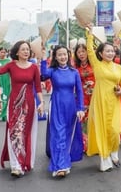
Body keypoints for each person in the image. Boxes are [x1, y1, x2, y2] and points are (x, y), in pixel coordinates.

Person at [0, 40, 44, 177]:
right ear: (17, 52)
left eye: (27, 49)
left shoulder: (33, 68)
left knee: (26, 132)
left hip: (29, 105)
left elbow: (38, 87)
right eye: (23, 49)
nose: (26, 52)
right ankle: (16, 165)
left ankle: (26, 161)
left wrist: (42, 102)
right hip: (14, 104)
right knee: (14, 132)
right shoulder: (11, 65)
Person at [84, 25, 121, 172]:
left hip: (114, 102)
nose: (110, 53)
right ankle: (105, 160)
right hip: (100, 102)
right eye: (107, 51)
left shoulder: (119, 68)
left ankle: (114, 152)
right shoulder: (97, 65)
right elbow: (89, 50)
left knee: (115, 130)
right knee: (102, 130)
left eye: (112, 51)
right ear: (101, 54)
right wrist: (90, 35)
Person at [40, 45, 85, 178]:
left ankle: (65, 161)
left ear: (69, 55)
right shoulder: (52, 71)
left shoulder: (74, 72)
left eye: (64, 54)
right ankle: (60, 165)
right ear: (55, 56)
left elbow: (80, 91)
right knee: (58, 134)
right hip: (57, 106)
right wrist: (43, 57)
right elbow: (43, 75)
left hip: (71, 107)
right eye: (59, 54)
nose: (62, 57)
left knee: (67, 134)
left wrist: (80, 108)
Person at [74, 43, 95, 151]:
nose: (81, 54)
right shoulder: (75, 67)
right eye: (79, 52)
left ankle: (95, 144)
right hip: (82, 96)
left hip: (95, 95)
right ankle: (85, 145)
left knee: (95, 119)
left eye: (83, 51)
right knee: (84, 120)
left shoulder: (95, 64)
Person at [0, 47, 11, 121]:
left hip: (6, 81)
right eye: (2, 52)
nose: (3, 54)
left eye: (4, 52)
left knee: (5, 97)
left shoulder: (9, 61)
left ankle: (4, 114)